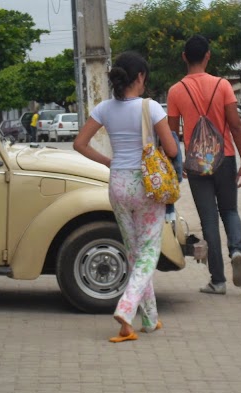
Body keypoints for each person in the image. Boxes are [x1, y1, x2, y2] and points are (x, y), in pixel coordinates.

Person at [74, 51, 178, 343]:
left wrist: (108, 161)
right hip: (147, 185)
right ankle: (126, 307)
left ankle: (149, 318)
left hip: (117, 183)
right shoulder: (151, 107)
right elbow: (170, 149)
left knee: (134, 252)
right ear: (140, 77)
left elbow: (79, 144)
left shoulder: (105, 108)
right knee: (149, 252)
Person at [167, 34, 241, 295]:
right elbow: (236, 125)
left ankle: (218, 280)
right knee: (230, 211)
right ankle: (236, 250)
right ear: (208, 56)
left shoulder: (176, 90)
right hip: (224, 157)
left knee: (209, 220)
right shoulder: (223, 85)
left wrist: (177, 163)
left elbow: (171, 133)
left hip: (196, 162)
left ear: (183, 58)